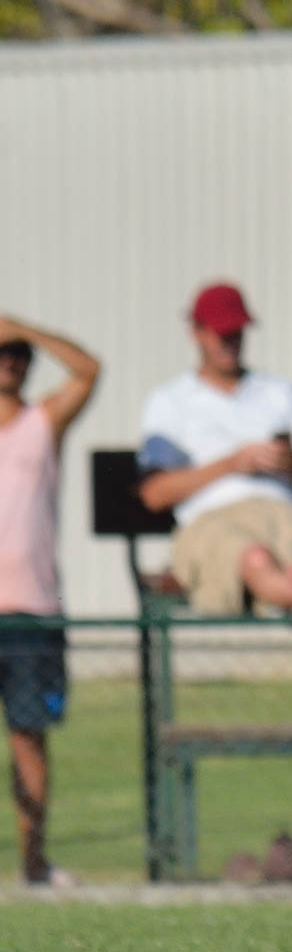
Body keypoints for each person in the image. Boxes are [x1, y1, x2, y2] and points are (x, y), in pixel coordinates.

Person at [137, 283, 292, 616]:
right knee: (252, 556)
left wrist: (291, 464)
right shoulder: (168, 400)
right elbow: (154, 494)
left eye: (236, 332)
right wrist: (232, 464)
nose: (229, 342)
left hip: (285, 513)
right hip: (212, 519)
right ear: (196, 333)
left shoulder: (281, 392)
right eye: (221, 333)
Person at [0, 314, 100, 886]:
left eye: (18, 354)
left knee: (29, 738)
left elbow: (88, 371)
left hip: (33, 606)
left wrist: (24, 329)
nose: (10, 361)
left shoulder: (41, 423)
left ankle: (33, 859)